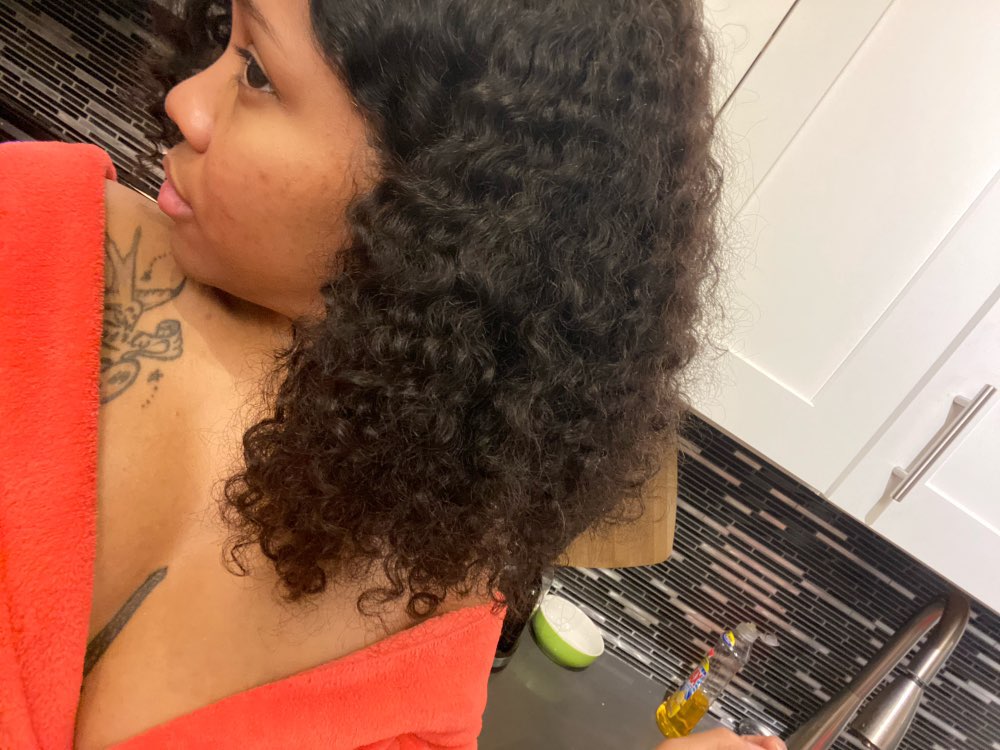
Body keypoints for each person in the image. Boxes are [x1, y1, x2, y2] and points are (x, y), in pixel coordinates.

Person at [2, 0, 731, 747]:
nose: (183, 101)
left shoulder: (426, 650)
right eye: (225, 33)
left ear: (446, 195)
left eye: (256, 72)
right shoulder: (24, 234)